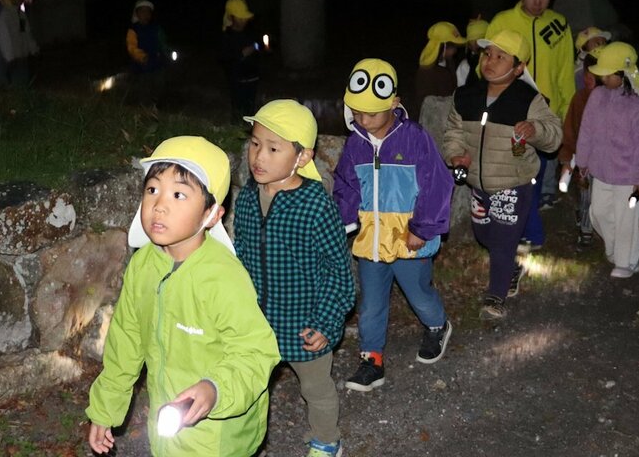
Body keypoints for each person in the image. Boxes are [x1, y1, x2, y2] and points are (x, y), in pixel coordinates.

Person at [86, 136, 280, 456]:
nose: (159, 204)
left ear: (211, 215)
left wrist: (215, 389)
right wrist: (105, 410)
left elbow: (256, 351)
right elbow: (126, 342)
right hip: (169, 428)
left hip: (218, 435)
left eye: (178, 194)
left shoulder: (222, 277)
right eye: (152, 190)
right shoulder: (143, 264)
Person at [234, 99, 356, 457]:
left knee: (316, 389)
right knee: (249, 385)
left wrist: (327, 322)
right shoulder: (247, 200)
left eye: (273, 148)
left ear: (302, 158)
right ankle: (243, 440)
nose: (258, 156)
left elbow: (338, 271)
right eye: (255, 143)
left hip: (305, 322)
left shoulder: (315, 205)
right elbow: (241, 252)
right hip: (257, 322)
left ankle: (326, 440)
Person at [333, 58, 455, 392]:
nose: (363, 119)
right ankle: (372, 360)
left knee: (418, 292)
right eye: (357, 111)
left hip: (407, 237)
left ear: (394, 102)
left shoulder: (414, 138)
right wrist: (342, 221)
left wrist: (423, 227)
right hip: (371, 239)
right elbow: (346, 183)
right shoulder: (355, 142)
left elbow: (437, 183)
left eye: (371, 112)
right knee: (371, 301)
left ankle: (436, 325)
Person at [443, 30, 563, 319]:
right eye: (487, 54)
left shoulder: (528, 99)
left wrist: (535, 130)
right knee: (484, 233)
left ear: (519, 67)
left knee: (503, 242)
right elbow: (454, 133)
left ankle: (494, 298)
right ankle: (512, 268)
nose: (491, 61)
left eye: (500, 57)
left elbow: (554, 136)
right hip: (479, 184)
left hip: (514, 183)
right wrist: (455, 155)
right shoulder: (466, 95)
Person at [486, 0, 576, 240]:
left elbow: (564, 72)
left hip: (545, 112)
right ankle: (519, 225)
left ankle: (528, 222)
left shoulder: (558, 25)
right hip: (510, 110)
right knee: (517, 170)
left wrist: (565, 112)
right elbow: (487, 65)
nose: (537, 2)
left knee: (537, 170)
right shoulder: (502, 22)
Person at [575, 42, 639, 278]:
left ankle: (626, 262)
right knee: (598, 213)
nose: (603, 79)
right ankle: (613, 249)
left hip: (628, 177)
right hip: (601, 172)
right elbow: (587, 130)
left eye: (609, 74)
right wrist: (583, 160)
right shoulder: (597, 96)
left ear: (624, 74)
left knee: (627, 219)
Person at [558, 46, 604, 248]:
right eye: (586, 73)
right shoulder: (579, 99)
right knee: (585, 195)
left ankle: (604, 230)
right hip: (585, 160)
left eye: (593, 74)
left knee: (603, 199)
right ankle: (585, 230)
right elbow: (570, 129)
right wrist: (567, 158)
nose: (587, 78)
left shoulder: (614, 101)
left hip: (607, 161)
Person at [411, 20, 466, 121]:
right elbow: (425, 103)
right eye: (453, 46)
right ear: (443, 46)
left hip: (448, 116)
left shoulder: (449, 62)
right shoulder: (427, 71)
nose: (455, 50)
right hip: (434, 120)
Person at [218, 0, 262, 119]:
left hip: (253, 78)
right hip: (237, 81)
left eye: (245, 18)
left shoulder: (250, 32)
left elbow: (259, 45)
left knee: (250, 110)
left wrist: (257, 47)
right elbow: (224, 59)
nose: (243, 21)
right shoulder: (227, 37)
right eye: (240, 18)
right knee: (238, 111)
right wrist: (241, 55)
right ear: (231, 17)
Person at [0, 0, 38, 88]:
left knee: (25, 82)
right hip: (13, 59)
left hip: (23, 56)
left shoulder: (21, 15)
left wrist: (33, 49)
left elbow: (27, 33)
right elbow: (4, 39)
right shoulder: (4, 17)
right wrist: (10, 58)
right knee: (16, 84)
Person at [126, 0, 169, 74]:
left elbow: (163, 43)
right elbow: (132, 48)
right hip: (140, 64)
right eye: (143, 11)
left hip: (157, 60)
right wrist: (142, 57)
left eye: (148, 11)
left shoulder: (156, 28)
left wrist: (167, 52)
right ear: (137, 14)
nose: (146, 14)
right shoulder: (133, 30)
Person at [572, 26, 611, 93]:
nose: (602, 46)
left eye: (604, 43)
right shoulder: (580, 72)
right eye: (597, 43)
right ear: (583, 49)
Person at [455, 15, 489, 87]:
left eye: (481, 38)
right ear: (469, 44)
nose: (477, 43)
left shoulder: (495, 63)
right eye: (473, 40)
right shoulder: (464, 66)